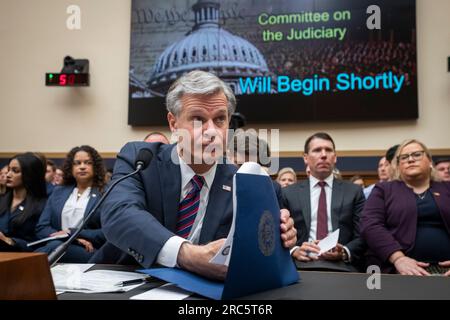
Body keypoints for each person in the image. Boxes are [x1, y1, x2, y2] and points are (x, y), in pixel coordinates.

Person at [91, 70, 296, 280]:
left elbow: (263, 254)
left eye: (219, 120)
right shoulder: (141, 160)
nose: (211, 131)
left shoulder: (248, 185)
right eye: (198, 119)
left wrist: (280, 238)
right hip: (125, 280)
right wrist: (186, 254)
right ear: (173, 123)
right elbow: (119, 214)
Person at [361, 139, 450, 276]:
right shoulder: (384, 190)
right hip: (399, 270)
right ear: (398, 166)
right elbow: (370, 225)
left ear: (430, 161)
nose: (410, 160)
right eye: (404, 157)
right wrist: (398, 258)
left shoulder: (446, 189)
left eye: (417, 154)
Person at [282, 132, 366, 270]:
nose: (323, 155)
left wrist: (344, 251)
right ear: (305, 158)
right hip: (300, 265)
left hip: (342, 266)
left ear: (335, 157)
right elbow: (279, 233)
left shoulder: (354, 192)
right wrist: (294, 250)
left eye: (328, 150)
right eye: (317, 150)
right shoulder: (288, 193)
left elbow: (363, 234)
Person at [35, 146, 106, 262]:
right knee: (56, 246)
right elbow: (42, 227)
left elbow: (107, 232)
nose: (82, 167)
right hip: (58, 244)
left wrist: (73, 234)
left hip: (90, 249)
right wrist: (72, 239)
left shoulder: (105, 193)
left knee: (54, 248)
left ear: (96, 167)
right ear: (71, 168)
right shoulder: (58, 191)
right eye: (77, 163)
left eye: (88, 163)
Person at [0, 153, 47, 251]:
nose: (8, 175)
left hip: (24, 257)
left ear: (29, 174)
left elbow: (41, 243)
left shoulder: (42, 204)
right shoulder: (2, 200)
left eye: (15, 171)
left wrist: (9, 241)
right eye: (9, 170)